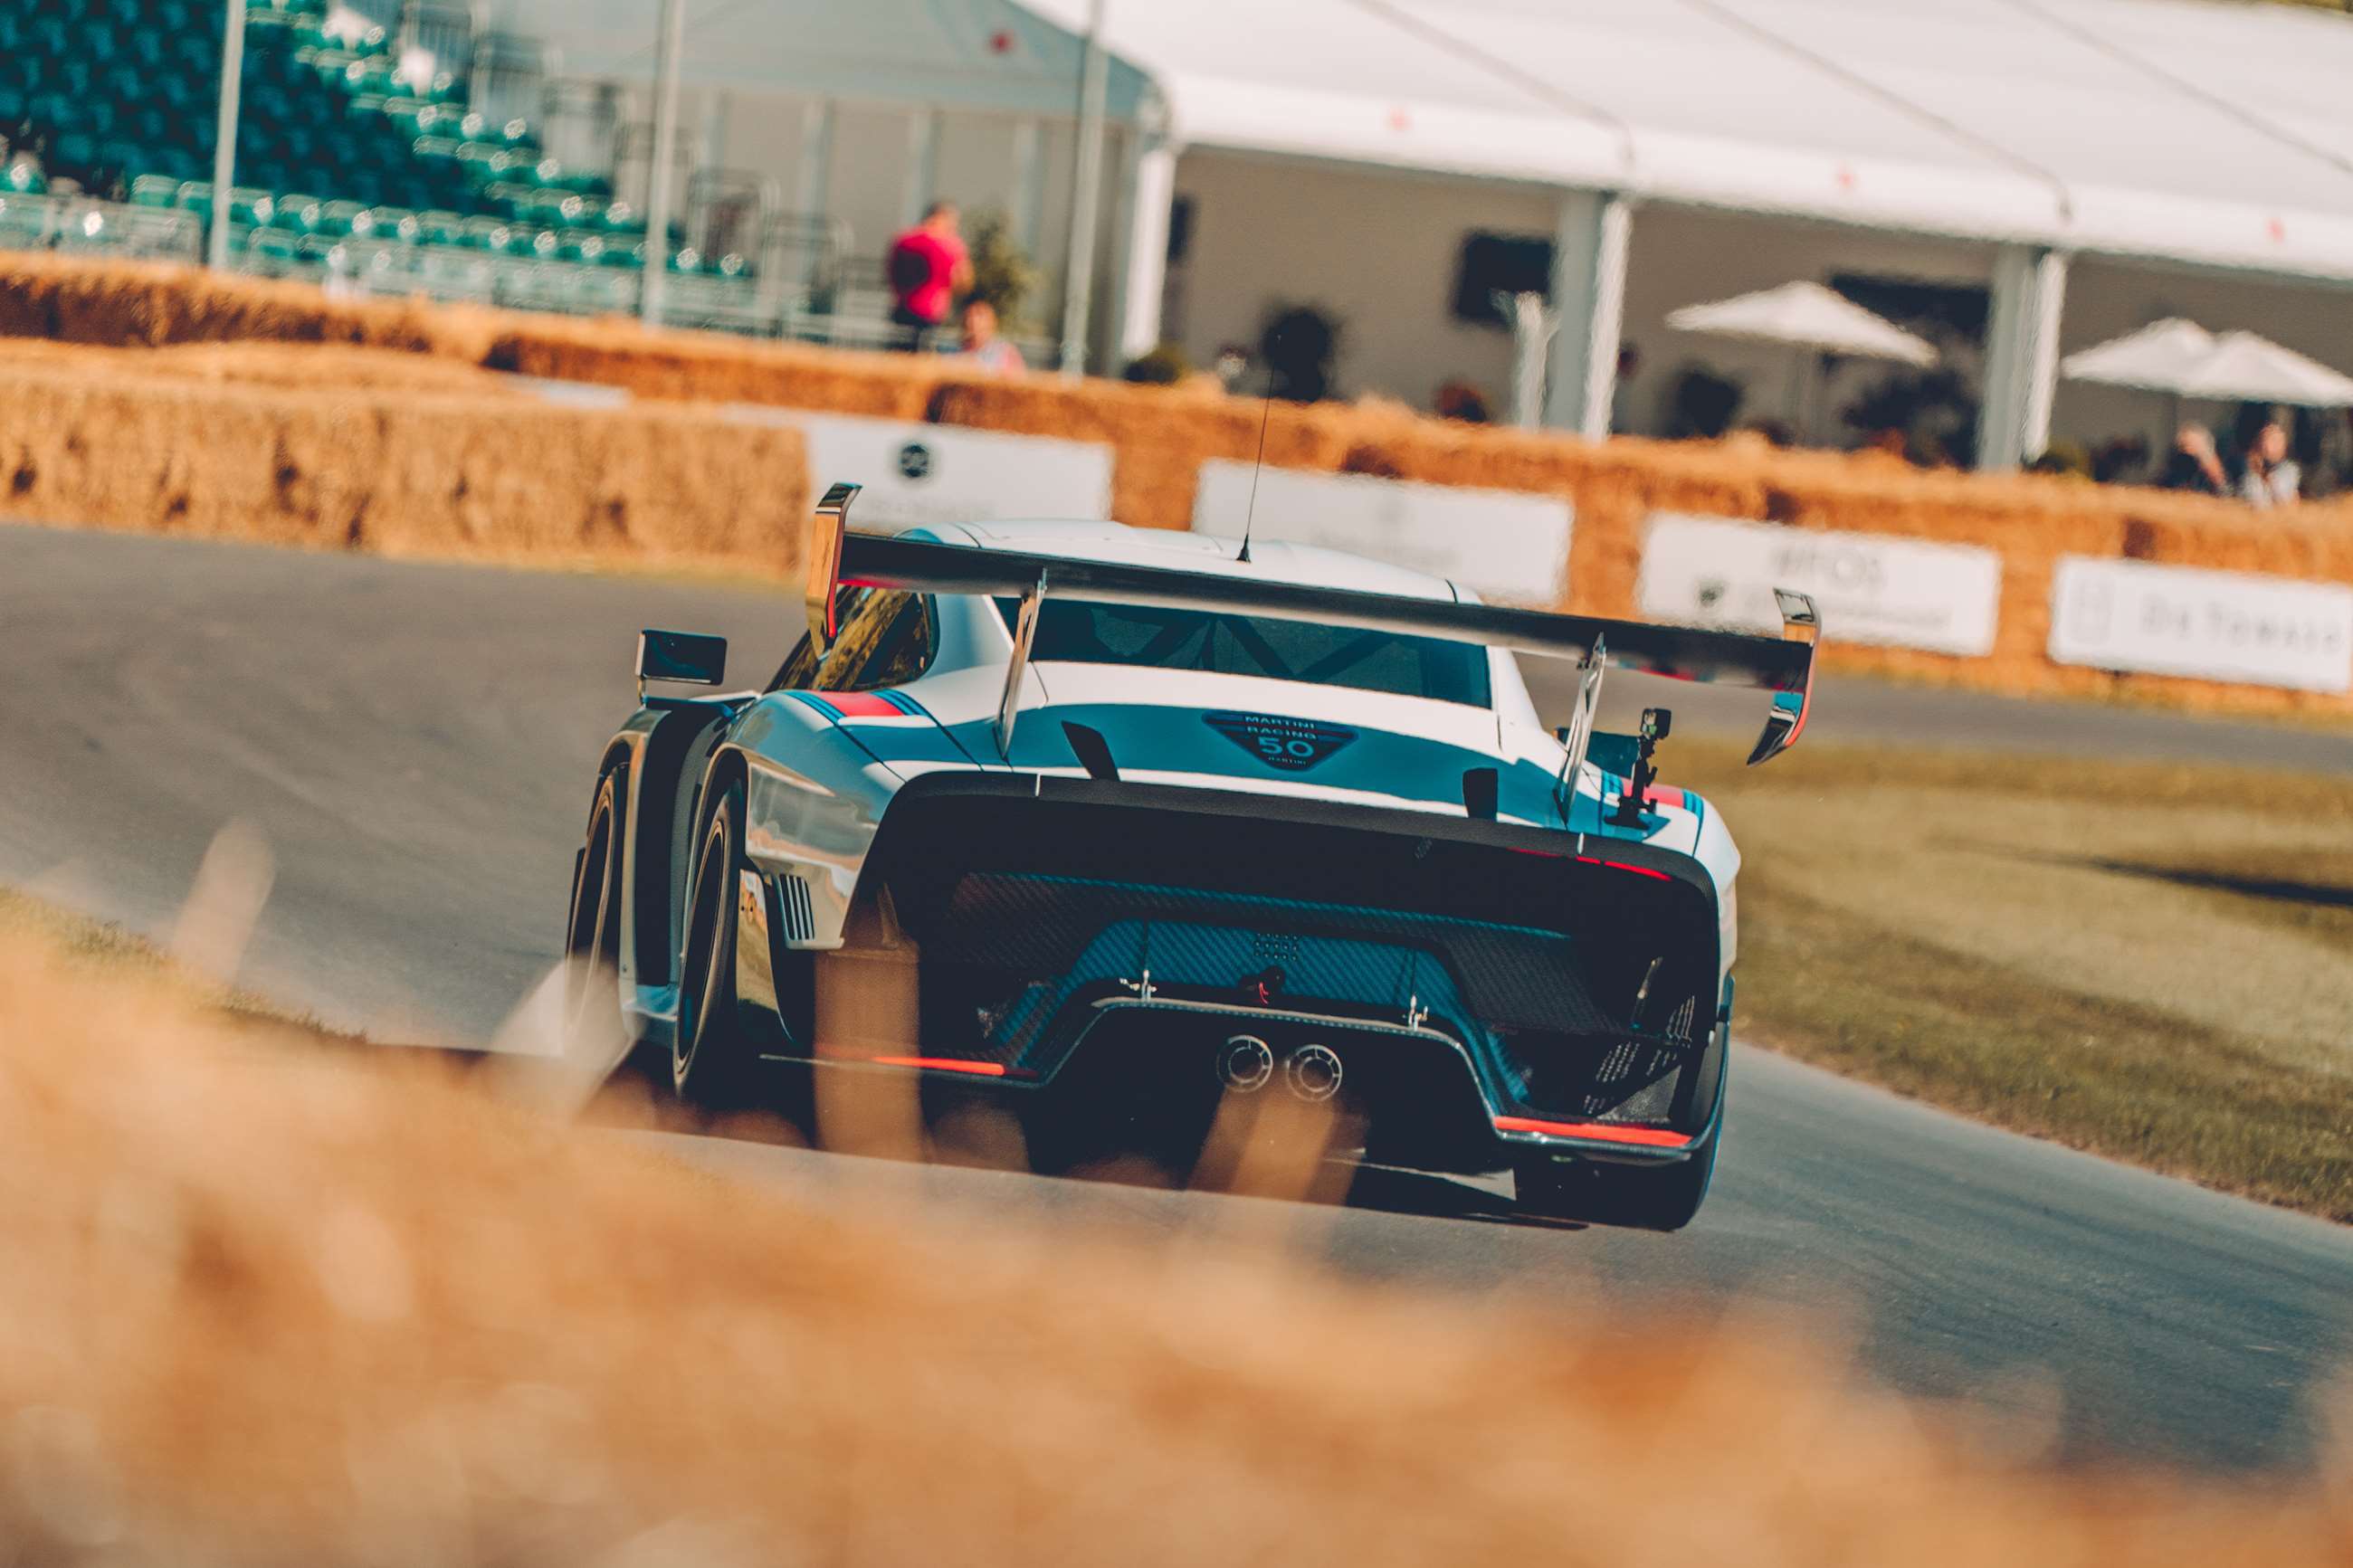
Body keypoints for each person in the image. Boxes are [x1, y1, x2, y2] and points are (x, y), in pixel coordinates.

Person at [884, 201, 972, 348]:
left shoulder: (903, 240)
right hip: (931, 313)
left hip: (901, 308)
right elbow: (964, 280)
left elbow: (890, 272)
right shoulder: (950, 245)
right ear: (941, 217)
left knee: (898, 354)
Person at [2237, 421, 2301, 508]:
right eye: (2270, 440)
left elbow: (2285, 501)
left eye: (2279, 441)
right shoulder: (2248, 472)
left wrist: (2268, 479)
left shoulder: (2289, 470)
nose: (2276, 446)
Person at [2158, 423, 2229, 497]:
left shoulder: (2215, 470)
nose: (2189, 450)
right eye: (2184, 447)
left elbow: (2224, 489)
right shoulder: (2175, 469)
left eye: (2194, 446)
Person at [957, 299, 1024, 375]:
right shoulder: (958, 350)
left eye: (979, 315)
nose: (973, 320)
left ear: (992, 321)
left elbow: (1018, 379)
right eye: (969, 315)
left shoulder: (1006, 352)